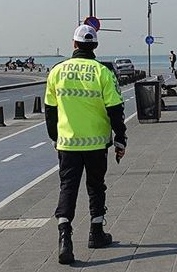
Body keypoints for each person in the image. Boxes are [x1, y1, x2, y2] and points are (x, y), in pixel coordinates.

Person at [45, 24, 127, 264]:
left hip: (67, 144)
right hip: (96, 143)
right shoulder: (103, 72)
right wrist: (121, 138)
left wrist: (54, 137)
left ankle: (64, 237)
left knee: (67, 188)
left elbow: (50, 111)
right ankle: (96, 232)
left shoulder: (57, 71)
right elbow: (115, 109)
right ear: (95, 46)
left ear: (74, 44)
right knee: (96, 186)